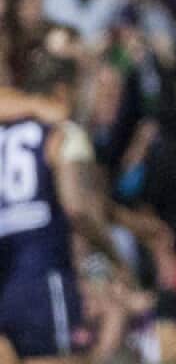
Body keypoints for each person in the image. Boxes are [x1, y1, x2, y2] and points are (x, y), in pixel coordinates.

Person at [0, 49, 126, 364]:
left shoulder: (4, 136)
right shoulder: (64, 134)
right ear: (62, 91)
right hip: (46, 274)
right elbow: (77, 209)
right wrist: (113, 258)